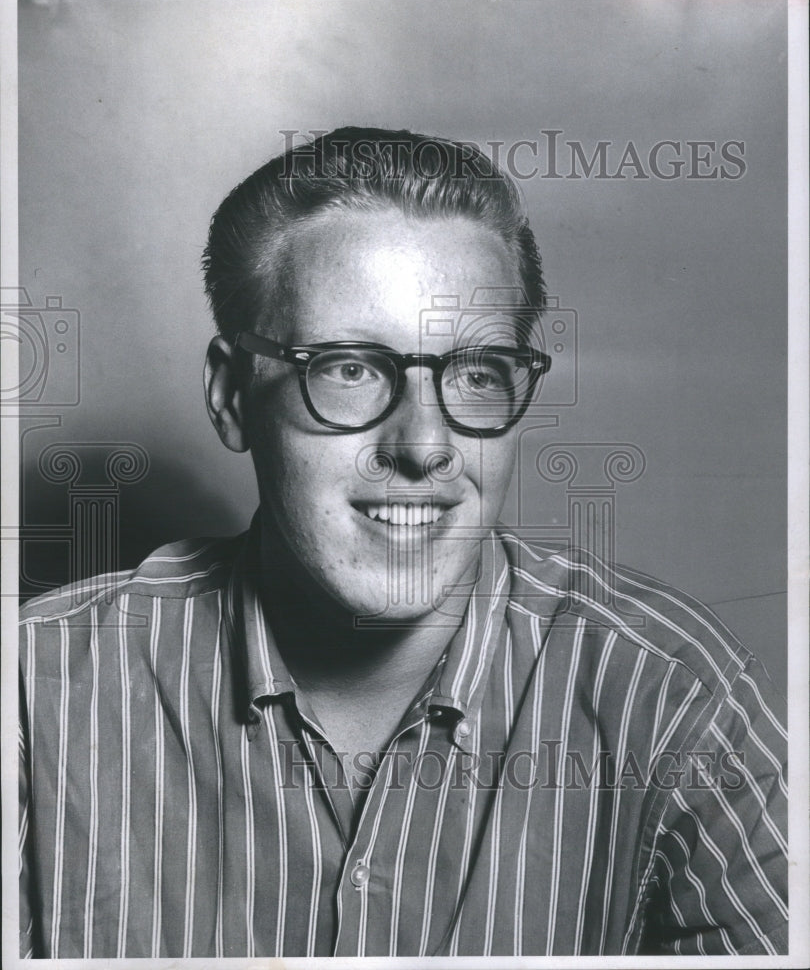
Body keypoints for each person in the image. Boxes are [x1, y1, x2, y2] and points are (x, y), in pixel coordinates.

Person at [19, 127, 788, 958]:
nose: (423, 446)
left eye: (475, 374)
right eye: (349, 368)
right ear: (232, 396)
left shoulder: (676, 703)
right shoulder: (35, 692)